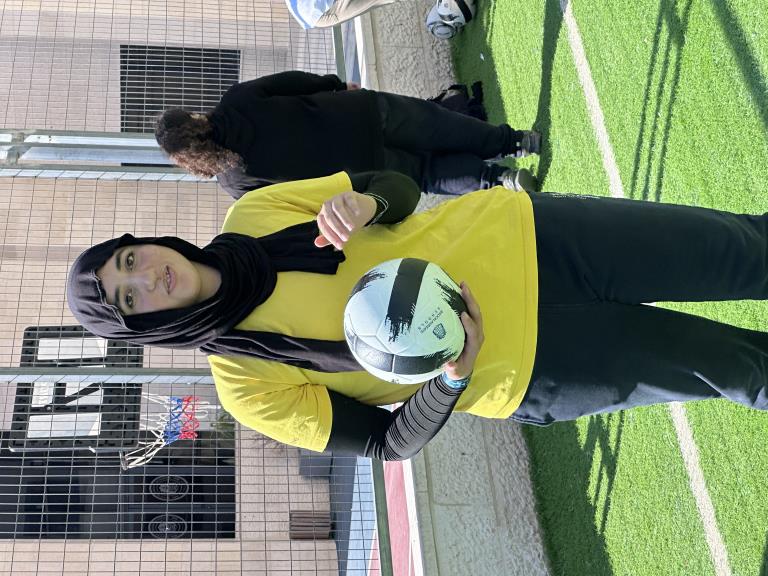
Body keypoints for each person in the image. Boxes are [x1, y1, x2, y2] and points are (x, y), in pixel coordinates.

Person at [66, 171, 768, 460]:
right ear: (143, 327)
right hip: (533, 364)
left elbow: (395, 189)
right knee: (742, 370)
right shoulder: (247, 386)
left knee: (743, 251)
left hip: (536, 237)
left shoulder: (254, 212)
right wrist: (451, 379)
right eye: (131, 299)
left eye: (129, 260)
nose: (148, 277)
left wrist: (366, 202)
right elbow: (385, 444)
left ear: (141, 242)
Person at [154, 70, 540, 199]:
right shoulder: (236, 99)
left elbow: (288, 199)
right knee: (437, 125)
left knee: (425, 175)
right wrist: (336, 84)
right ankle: (516, 142)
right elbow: (294, 82)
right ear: (193, 116)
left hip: (354, 167)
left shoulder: (234, 181)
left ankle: (500, 180)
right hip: (357, 113)